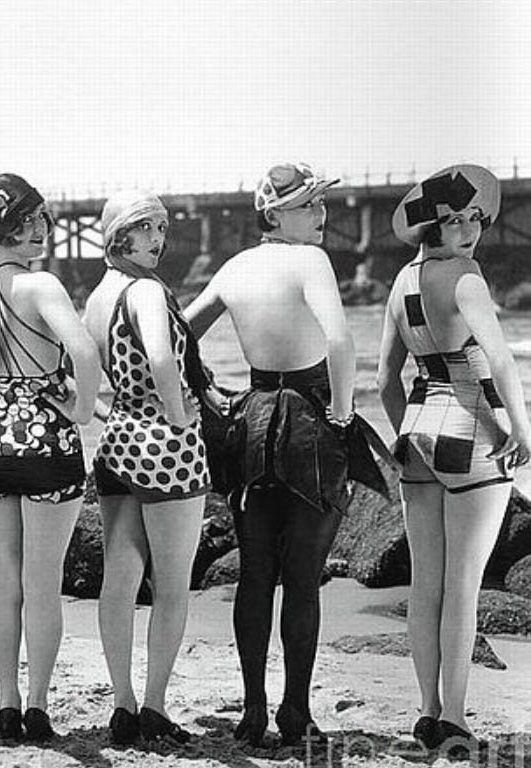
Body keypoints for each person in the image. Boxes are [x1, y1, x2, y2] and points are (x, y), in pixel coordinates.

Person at [185, 163, 387, 748]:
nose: (321, 217)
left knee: (255, 575)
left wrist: (206, 391)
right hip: (308, 421)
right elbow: (342, 341)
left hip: (250, 420)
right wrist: (345, 413)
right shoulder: (311, 261)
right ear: (274, 215)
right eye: (308, 207)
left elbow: (180, 334)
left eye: (321, 205)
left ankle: (252, 712)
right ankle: (293, 712)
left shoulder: (236, 266)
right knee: (301, 579)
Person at [0, 160, 99, 742]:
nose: (42, 229)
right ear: (12, 227)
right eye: (32, 220)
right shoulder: (41, 284)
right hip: (47, 441)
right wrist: (80, 411)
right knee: (42, 581)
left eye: (41, 218)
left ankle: (4, 702)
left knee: (2, 580)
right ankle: (37, 706)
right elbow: (84, 353)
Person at [376, 165, 530, 756]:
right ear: (430, 228)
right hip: (471, 432)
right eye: (453, 221)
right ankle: (457, 718)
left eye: (473, 218)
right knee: (462, 588)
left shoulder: (401, 282)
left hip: (419, 431)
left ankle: (426, 709)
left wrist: (408, 430)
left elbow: (388, 380)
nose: (468, 230)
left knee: (426, 586)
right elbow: (501, 360)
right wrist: (520, 428)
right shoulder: (465, 277)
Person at [82, 192, 209, 745]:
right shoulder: (147, 291)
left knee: (120, 578)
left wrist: (120, 410)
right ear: (120, 236)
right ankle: (154, 707)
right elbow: (161, 359)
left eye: (160, 227)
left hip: (118, 441)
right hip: (166, 444)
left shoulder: (97, 297)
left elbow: (80, 380)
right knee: (173, 586)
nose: (158, 238)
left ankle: (122, 704)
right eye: (144, 228)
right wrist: (181, 419)